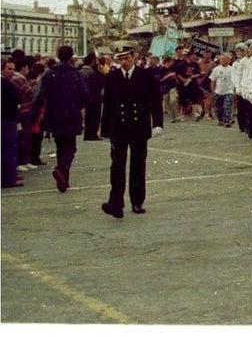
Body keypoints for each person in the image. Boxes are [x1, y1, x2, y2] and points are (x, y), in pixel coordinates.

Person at [100, 47, 163, 217]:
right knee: (117, 165)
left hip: (139, 126)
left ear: (134, 57)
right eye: (120, 59)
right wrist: (104, 129)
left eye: (127, 58)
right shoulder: (112, 76)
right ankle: (116, 203)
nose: (124, 62)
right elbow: (107, 104)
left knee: (138, 164)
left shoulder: (146, 75)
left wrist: (157, 123)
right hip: (118, 127)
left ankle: (137, 201)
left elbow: (156, 100)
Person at [31, 45, 89, 193]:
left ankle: (63, 178)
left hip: (54, 114)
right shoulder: (76, 73)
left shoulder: (50, 73)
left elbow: (39, 94)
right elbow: (85, 94)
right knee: (70, 146)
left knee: (60, 144)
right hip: (71, 113)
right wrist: (80, 106)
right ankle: (62, 170)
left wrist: (37, 111)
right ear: (71, 56)